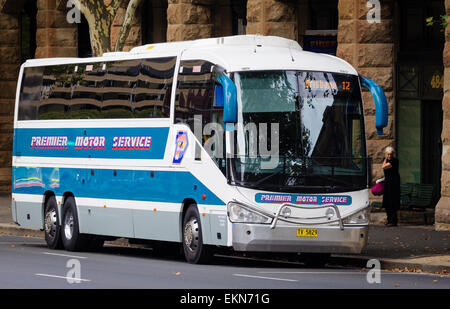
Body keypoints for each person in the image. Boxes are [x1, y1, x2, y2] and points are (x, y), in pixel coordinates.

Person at [382, 146, 400, 226]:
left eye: (391, 154)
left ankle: (393, 221)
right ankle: (389, 220)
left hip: (394, 184)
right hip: (387, 184)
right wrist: (385, 159)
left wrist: (385, 159)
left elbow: (383, 166)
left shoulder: (394, 161)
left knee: (392, 202)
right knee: (387, 202)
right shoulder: (385, 160)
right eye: (388, 154)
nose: (389, 156)